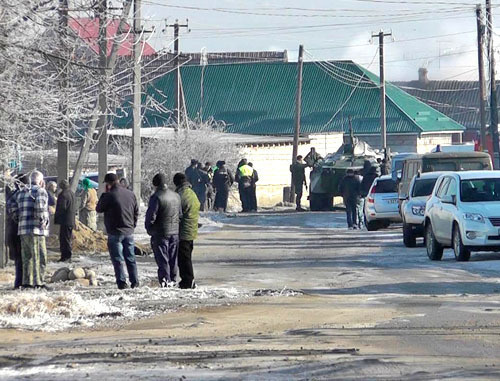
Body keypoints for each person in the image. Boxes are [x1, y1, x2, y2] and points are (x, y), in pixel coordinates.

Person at [96, 173, 139, 289]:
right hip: (128, 231)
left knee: (118, 259)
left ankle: (122, 282)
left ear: (108, 184)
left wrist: (104, 195)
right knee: (130, 258)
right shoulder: (130, 194)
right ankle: (135, 281)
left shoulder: (109, 195)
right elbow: (136, 211)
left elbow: (98, 208)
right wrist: (132, 225)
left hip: (115, 232)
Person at [9, 171, 50, 288]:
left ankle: (27, 282)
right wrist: (43, 222)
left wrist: (18, 219)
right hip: (36, 230)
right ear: (41, 181)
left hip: (23, 230)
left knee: (27, 257)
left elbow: (12, 206)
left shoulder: (21, 192)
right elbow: (40, 209)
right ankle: (39, 282)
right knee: (40, 257)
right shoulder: (40, 191)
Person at [145, 173, 182, 287]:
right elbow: (180, 215)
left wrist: (150, 229)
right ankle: (173, 279)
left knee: (163, 259)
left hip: (161, 233)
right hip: (175, 232)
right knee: (173, 258)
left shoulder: (156, 197)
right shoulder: (176, 196)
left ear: (155, 184)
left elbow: (151, 216)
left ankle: (165, 281)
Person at [173, 173, 200, 289]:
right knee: (186, 257)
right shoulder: (191, 193)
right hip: (191, 229)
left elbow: (177, 214)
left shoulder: (181, 195)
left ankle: (188, 281)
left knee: (184, 259)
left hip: (184, 230)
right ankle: (188, 280)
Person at [6, 174, 28, 289]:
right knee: (20, 258)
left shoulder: (13, 195)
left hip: (13, 230)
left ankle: (20, 282)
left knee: (20, 259)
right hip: (17, 231)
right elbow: (16, 216)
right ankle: (20, 283)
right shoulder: (17, 196)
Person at [54, 180, 76, 263]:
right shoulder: (72, 193)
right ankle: (67, 256)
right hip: (71, 220)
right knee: (68, 238)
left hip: (64, 220)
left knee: (64, 239)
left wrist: (57, 217)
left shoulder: (63, 195)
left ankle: (66, 257)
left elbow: (61, 208)